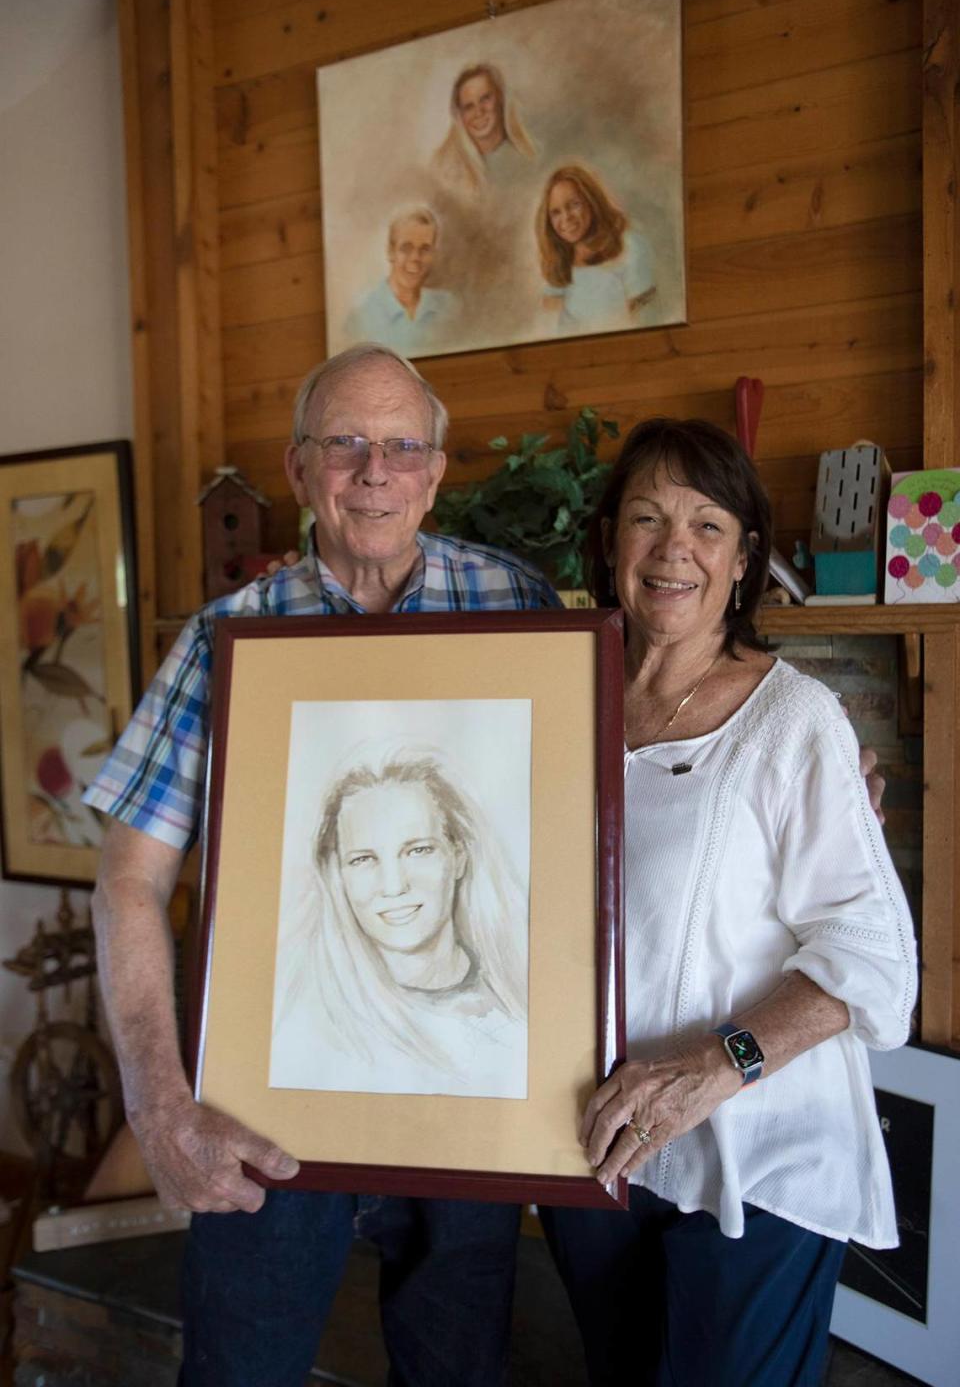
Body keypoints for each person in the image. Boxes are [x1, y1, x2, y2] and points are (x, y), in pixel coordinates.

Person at [83, 341, 560, 1387]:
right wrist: (159, 1106)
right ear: (299, 470)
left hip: (469, 1103)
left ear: (437, 472)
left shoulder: (521, 606)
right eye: (345, 444)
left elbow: (595, 826)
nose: (374, 471)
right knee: (240, 1370)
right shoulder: (225, 641)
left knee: (457, 1369)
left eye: (400, 447)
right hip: (268, 1112)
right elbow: (128, 880)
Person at [538, 417, 917, 1387]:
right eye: (647, 519)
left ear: (746, 561)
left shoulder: (796, 722)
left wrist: (718, 1066)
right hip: (601, 1144)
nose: (674, 549)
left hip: (757, 1152)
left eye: (709, 526)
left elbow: (873, 957)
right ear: (608, 544)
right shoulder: (557, 701)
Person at [270, 745, 529, 1098]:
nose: (393, 886)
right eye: (363, 859)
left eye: (418, 850)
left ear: (458, 856)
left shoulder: (520, 1007)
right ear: (337, 874)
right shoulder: (306, 1028)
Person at [536, 164, 657, 335]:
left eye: (574, 204)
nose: (566, 218)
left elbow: (646, 319)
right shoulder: (561, 259)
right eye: (556, 212)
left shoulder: (630, 246)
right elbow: (549, 317)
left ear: (592, 201)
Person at [345, 207, 459, 357]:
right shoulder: (361, 315)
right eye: (406, 248)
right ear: (390, 252)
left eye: (425, 249)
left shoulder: (449, 307)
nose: (415, 258)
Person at [432, 63, 538, 199]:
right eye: (469, 107)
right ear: (459, 116)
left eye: (485, 99)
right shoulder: (445, 171)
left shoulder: (525, 160)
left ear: (500, 99)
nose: (479, 112)